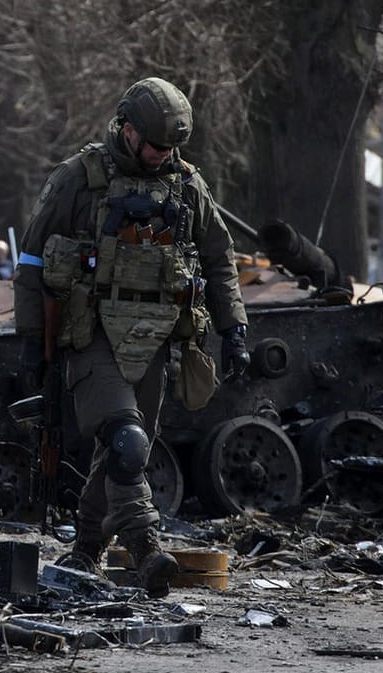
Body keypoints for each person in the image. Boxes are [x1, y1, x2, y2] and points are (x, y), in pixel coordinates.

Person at [13, 77, 247, 598]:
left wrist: (234, 330)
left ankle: (85, 552)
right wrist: (30, 339)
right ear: (125, 127)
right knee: (125, 441)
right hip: (92, 331)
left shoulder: (187, 186)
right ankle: (146, 549)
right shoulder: (77, 178)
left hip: (160, 336)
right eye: (154, 145)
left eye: (171, 148)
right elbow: (30, 261)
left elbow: (219, 259)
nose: (162, 155)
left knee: (122, 454)